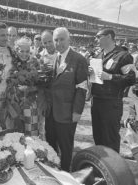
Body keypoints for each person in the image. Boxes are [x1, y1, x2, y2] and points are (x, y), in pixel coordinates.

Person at [45, 27, 88, 171]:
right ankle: (54, 170)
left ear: (69, 40)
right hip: (51, 112)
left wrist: (77, 112)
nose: (59, 43)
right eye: (56, 40)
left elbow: (82, 87)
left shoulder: (79, 59)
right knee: (51, 143)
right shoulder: (56, 57)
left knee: (66, 146)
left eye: (62, 39)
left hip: (67, 113)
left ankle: (65, 173)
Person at [90, 29, 135, 153]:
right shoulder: (98, 55)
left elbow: (131, 79)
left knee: (110, 137)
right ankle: (101, 163)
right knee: (98, 135)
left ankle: (113, 168)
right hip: (96, 99)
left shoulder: (123, 55)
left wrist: (110, 77)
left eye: (98, 36)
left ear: (109, 37)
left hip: (111, 102)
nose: (96, 39)